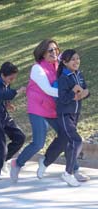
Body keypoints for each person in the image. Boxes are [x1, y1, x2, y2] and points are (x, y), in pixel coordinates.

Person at [10, 39, 60, 183]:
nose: (54, 52)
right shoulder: (37, 69)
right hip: (38, 108)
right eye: (50, 50)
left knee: (67, 136)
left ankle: (72, 170)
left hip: (52, 108)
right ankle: (17, 163)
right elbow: (48, 89)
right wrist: (68, 94)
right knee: (38, 143)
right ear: (42, 53)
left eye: (56, 49)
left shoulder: (58, 66)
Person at [43, 49, 89, 187]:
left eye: (77, 58)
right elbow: (62, 98)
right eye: (73, 59)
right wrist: (74, 92)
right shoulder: (63, 77)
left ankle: (69, 172)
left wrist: (83, 93)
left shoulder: (79, 74)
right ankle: (68, 174)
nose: (76, 61)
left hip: (75, 114)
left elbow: (86, 90)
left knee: (71, 143)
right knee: (76, 140)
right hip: (64, 114)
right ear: (64, 62)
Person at [0, 62, 26, 180]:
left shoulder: (5, 83)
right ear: (2, 74)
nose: (12, 81)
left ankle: (3, 160)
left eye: (14, 78)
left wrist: (8, 104)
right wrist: (17, 92)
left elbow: (4, 96)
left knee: (20, 137)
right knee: (1, 143)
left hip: (3, 114)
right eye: (10, 78)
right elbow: (0, 94)